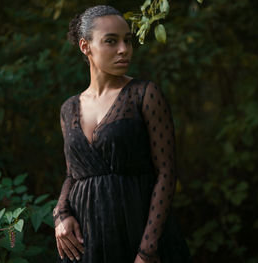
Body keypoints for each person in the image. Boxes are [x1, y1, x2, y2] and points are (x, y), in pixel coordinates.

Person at [52, 5, 192, 263]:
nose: (124, 49)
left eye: (127, 40)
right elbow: (73, 174)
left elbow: (166, 173)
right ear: (86, 46)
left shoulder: (144, 94)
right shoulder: (69, 108)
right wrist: (60, 214)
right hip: (88, 238)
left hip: (139, 227)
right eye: (111, 41)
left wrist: (148, 249)